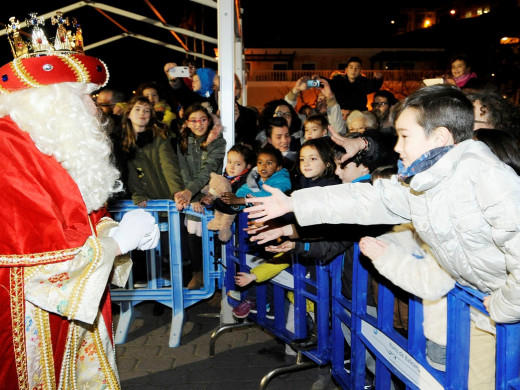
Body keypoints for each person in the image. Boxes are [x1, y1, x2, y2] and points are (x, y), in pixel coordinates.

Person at [245, 84, 520, 389]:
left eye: (405, 136)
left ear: (440, 137)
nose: (398, 148)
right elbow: (369, 200)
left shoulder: (488, 177)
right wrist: (294, 204)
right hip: (482, 308)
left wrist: (506, 304)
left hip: (503, 310)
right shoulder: (426, 182)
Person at [0, 17, 159, 388]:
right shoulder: (8, 147)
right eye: (84, 96)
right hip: (21, 318)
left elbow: (80, 219)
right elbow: (31, 259)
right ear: (53, 101)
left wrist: (116, 229)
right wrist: (117, 244)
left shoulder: (50, 141)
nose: (95, 106)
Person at [175, 103, 226, 290]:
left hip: (212, 194)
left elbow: (208, 170)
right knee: (193, 234)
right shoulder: (182, 142)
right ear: (187, 123)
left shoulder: (218, 142)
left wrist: (191, 192)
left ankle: (218, 279)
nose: (199, 124)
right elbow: (183, 170)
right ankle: (198, 273)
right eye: (194, 120)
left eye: (203, 120)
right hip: (193, 197)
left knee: (216, 236)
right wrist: (192, 197)